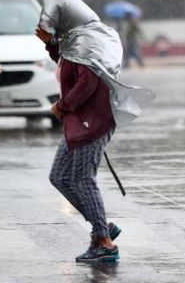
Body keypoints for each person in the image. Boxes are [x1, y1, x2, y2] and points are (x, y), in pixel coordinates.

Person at [35, 25, 121, 263]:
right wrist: (51, 44)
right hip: (78, 121)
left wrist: (61, 107)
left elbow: (87, 82)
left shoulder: (87, 45)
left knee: (82, 178)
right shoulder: (75, 44)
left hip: (92, 121)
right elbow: (68, 64)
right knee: (59, 176)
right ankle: (102, 226)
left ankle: (104, 243)